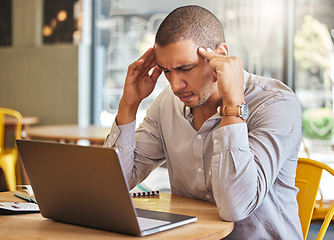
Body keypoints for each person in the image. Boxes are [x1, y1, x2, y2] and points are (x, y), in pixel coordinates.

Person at [104, 5, 303, 240]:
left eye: (185, 68)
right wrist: (129, 105)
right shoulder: (167, 103)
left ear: (220, 55)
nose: (175, 85)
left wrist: (233, 105)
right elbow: (113, 185)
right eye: (166, 71)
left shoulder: (275, 104)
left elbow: (235, 207)